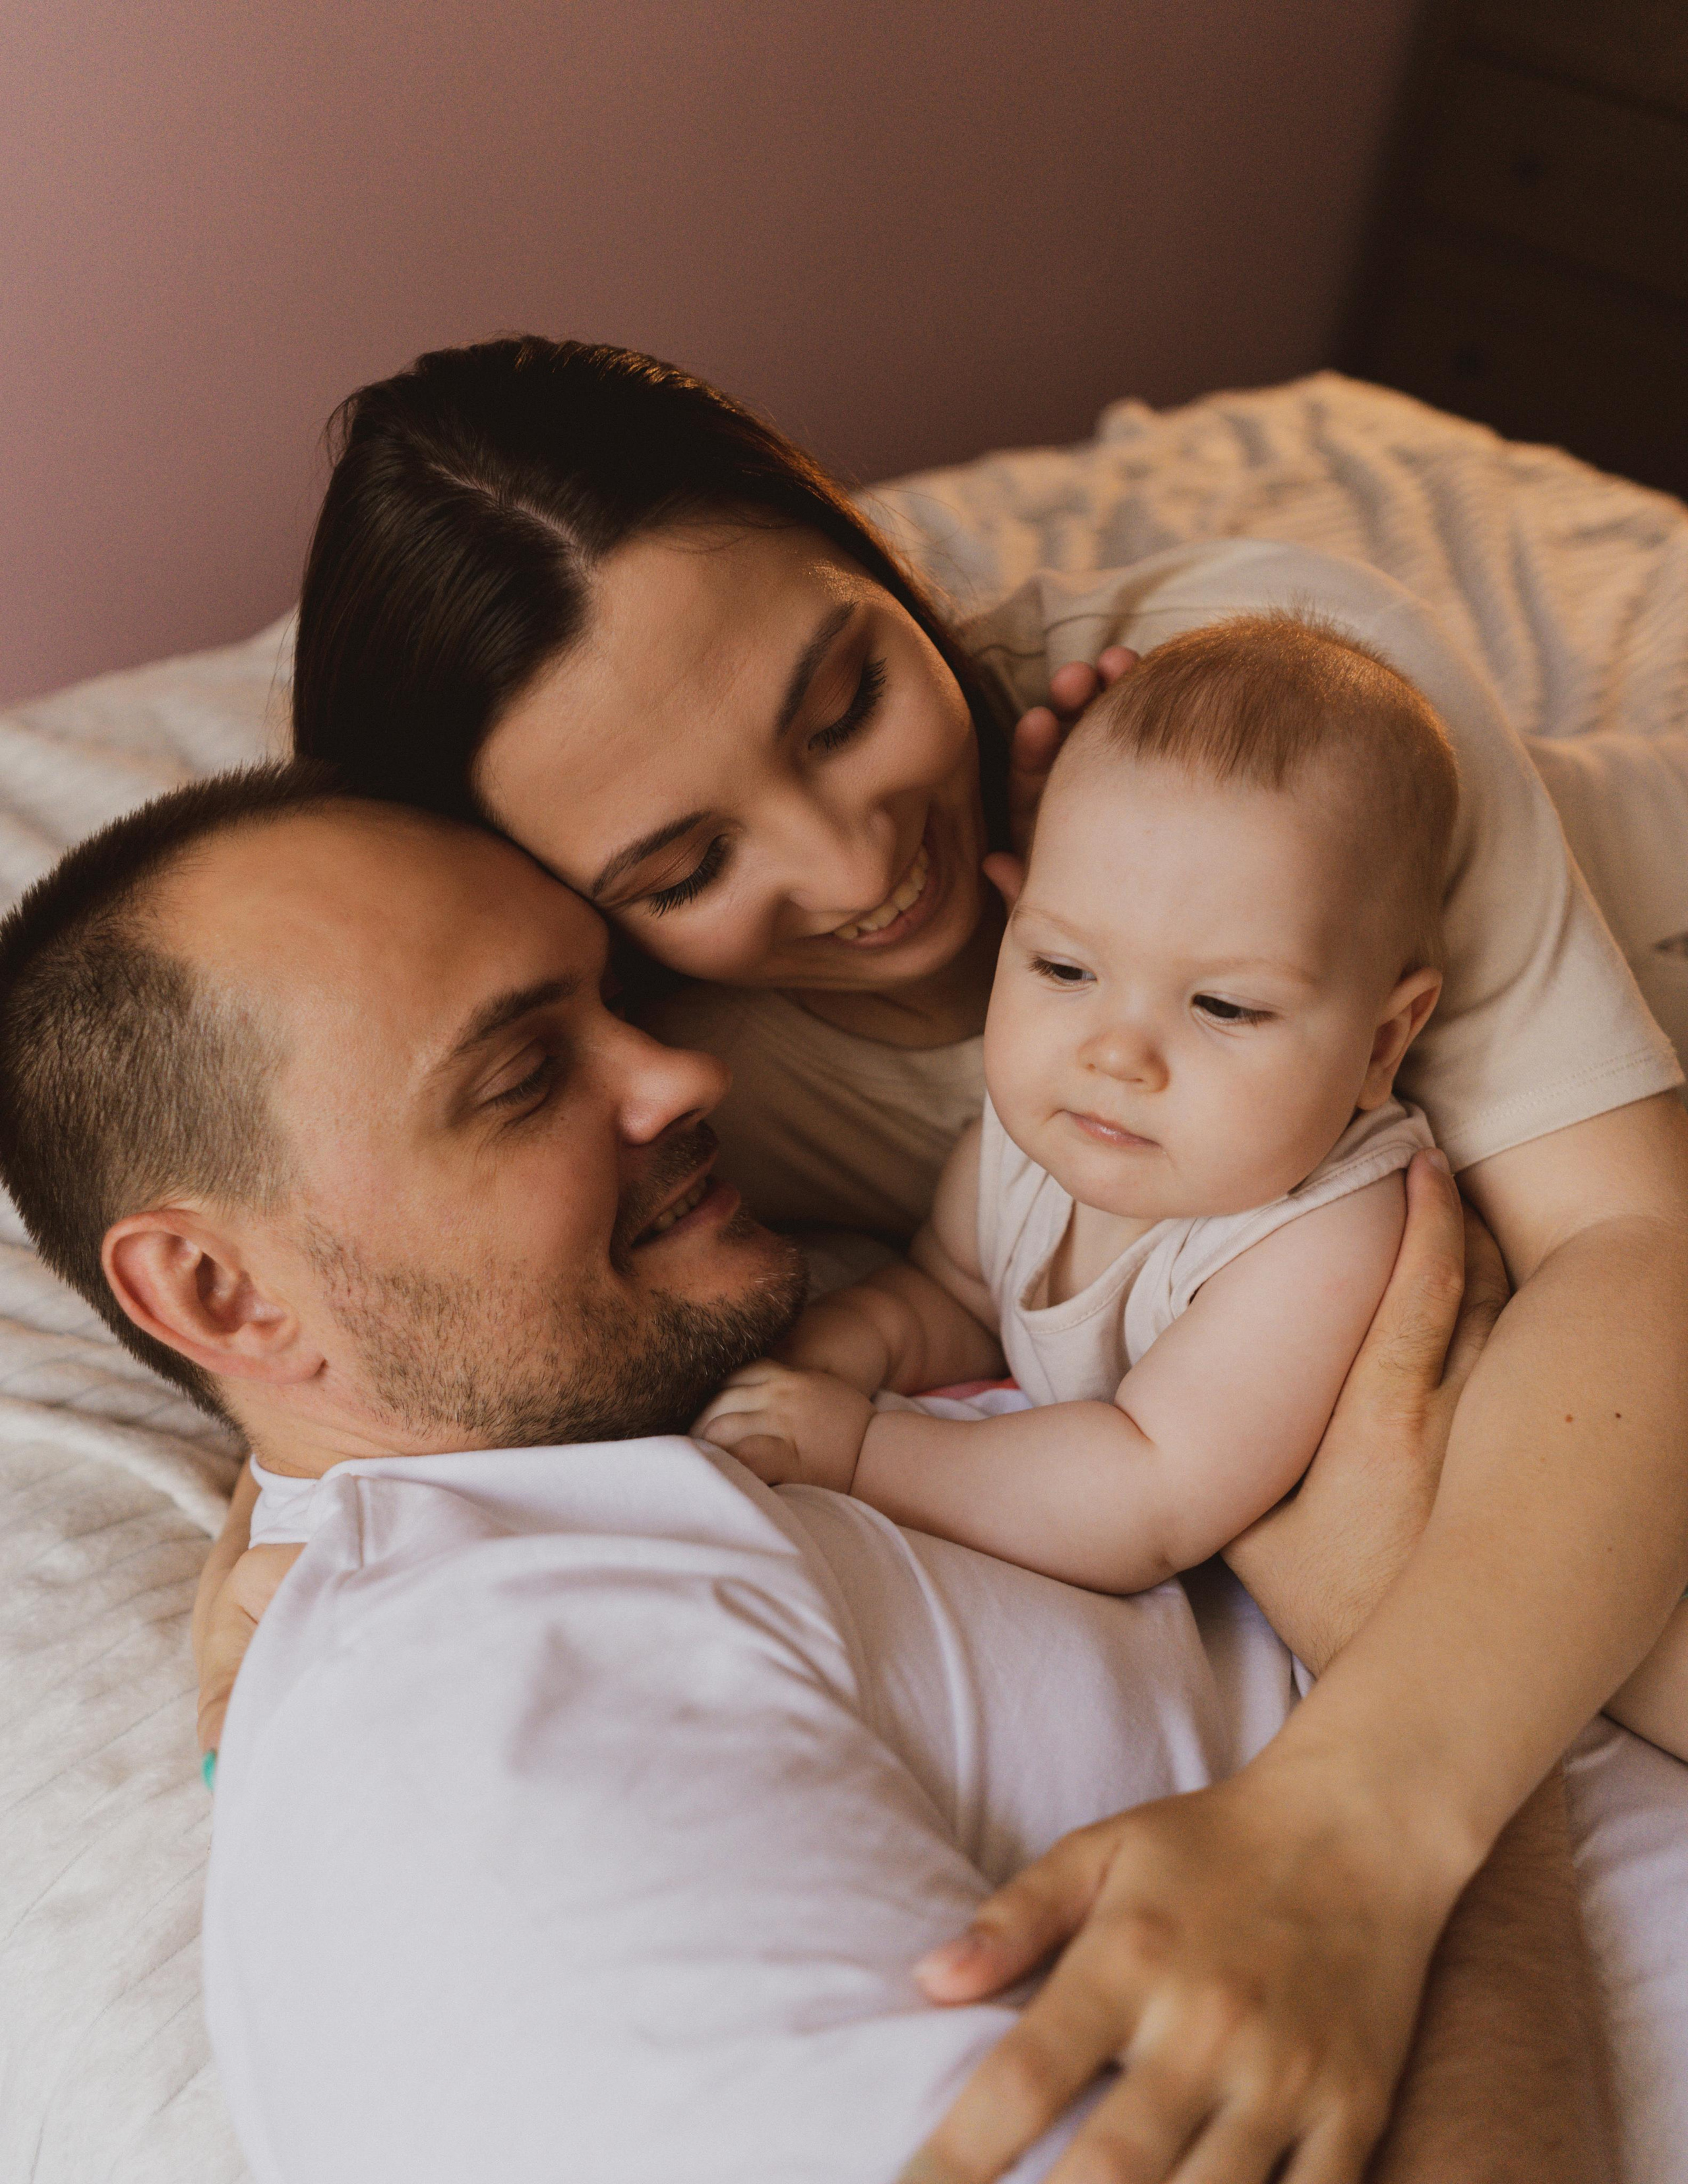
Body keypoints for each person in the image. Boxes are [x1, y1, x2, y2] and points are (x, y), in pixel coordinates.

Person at [196, 337, 1688, 2181]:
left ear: (875, 560)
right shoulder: (694, 1075)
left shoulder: (1279, 687)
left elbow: (1630, 1243)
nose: (856, 868)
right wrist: (262, 1530)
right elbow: (379, 1252)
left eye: (842, 701)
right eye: (682, 865)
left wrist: (1367, 1819)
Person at [0, 769, 1630, 2182]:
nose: (683, 1077)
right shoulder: (460, 1710)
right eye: (518, 1081)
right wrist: (1423, 1718)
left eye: (615, 1002)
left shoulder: (628, 1462)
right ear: (221, 1298)